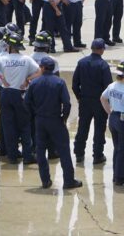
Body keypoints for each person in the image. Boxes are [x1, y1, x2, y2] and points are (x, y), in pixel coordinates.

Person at [25, 57, 83, 190]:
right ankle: (68, 181)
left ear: (42, 68)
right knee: (64, 150)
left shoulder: (34, 83)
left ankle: (45, 181)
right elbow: (67, 103)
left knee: (40, 151)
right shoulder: (59, 82)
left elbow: (27, 102)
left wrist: (35, 114)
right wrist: (64, 118)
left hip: (40, 120)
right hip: (56, 119)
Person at [0, 33, 40, 164]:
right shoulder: (26, 59)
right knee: (24, 126)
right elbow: (40, 71)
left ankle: (12, 156)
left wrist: (1, 77)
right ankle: (27, 156)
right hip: (20, 94)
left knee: (9, 126)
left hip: (6, 93)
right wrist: (28, 79)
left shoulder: (3, 59)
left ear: (9, 46)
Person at [71, 39, 113, 165]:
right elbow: (108, 87)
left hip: (84, 101)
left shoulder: (81, 62)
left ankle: (79, 154)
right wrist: (108, 103)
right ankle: (97, 155)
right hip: (100, 102)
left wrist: (79, 97)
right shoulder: (103, 65)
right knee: (99, 129)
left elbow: (74, 84)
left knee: (82, 127)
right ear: (102, 50)